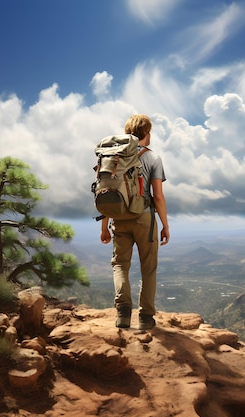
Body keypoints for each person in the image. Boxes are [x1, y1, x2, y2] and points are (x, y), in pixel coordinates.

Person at [100, 114, 170, 330]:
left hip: (119, 217)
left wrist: (104, 227)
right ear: (146, 133)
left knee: (120, 265)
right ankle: (146, 317)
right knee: (148, 268)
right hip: (144, 218)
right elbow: (157, 196)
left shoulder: (113, 158)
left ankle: (122, 314)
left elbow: (107, 191)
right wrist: (165, 225)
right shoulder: (153, 158)